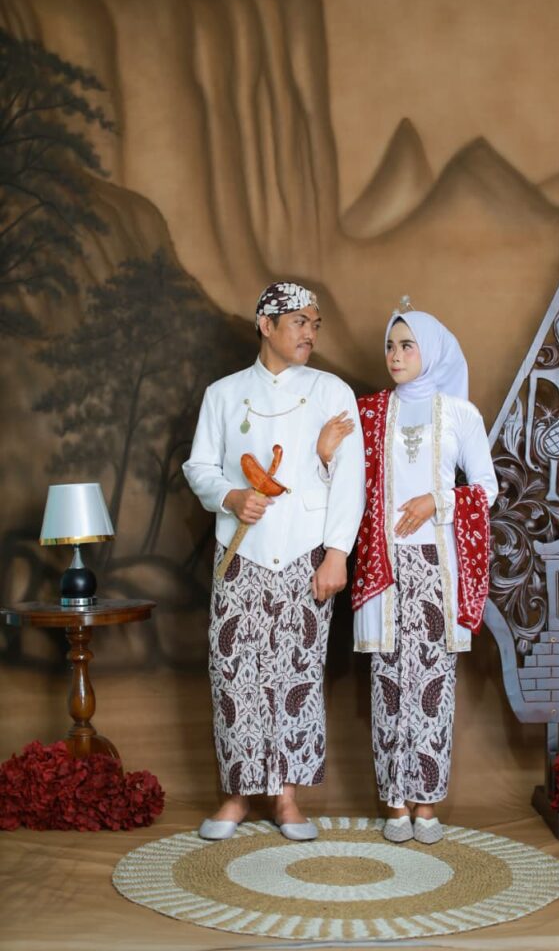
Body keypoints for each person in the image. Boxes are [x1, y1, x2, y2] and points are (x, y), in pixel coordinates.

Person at [183, 282, 365, 841]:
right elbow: (199, 467)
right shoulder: (223, 394)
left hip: (307, 554)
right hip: (241, 555)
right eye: (299, 322)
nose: (310, 333)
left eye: (315, 324)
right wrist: (231, 496)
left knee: (296, 674)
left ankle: (286, 799)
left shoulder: (332, 391)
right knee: (233, 672)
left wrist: (337, 555)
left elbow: (351, 480)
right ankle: (236, 796)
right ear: (266, 325)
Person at [328, 301, 498, 843]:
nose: (395, 355)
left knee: (433, 686)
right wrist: (325, 451)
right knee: (388, 685)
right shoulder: (369, 414)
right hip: (384, 565)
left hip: (437, 567)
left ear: (432, 351)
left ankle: (427, 804)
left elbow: (487, 489)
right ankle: (395, 804)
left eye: (407, 346)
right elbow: (344, 481)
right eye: (390, 346)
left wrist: (436, 502)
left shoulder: (460, 414)